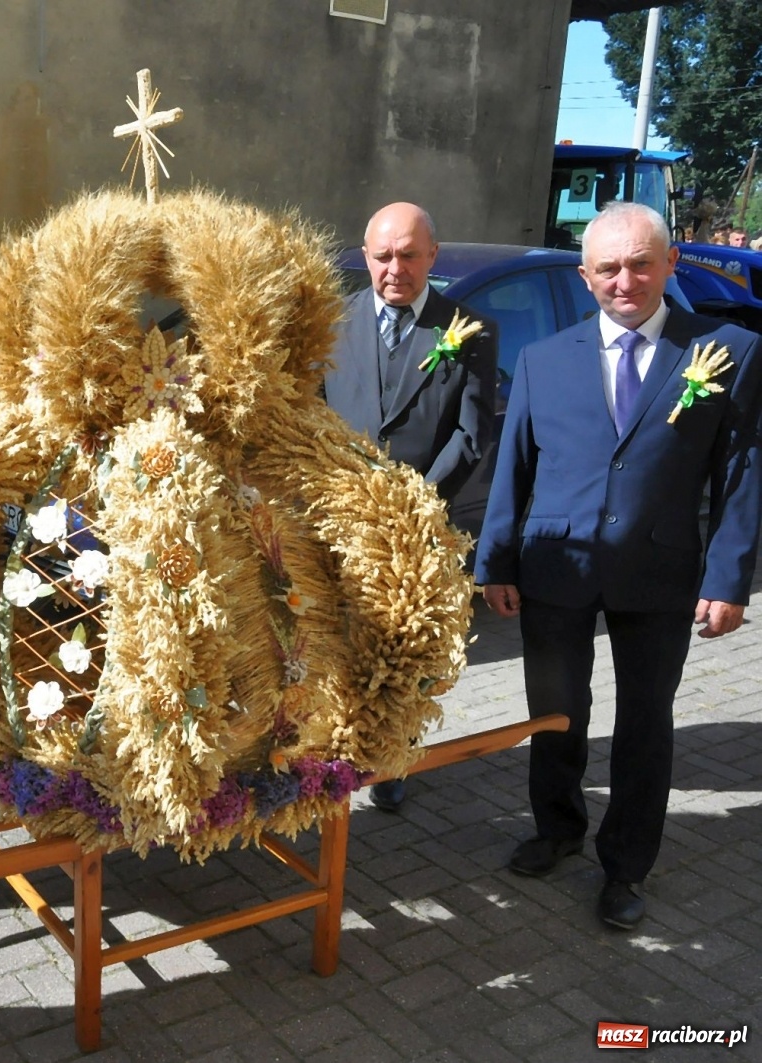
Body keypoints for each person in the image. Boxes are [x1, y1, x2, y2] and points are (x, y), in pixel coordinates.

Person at [475, 201, 762, 930]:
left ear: (669, 265)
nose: (624, 280)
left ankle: (626, 864)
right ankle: (557, 826)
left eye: (640, 263)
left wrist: (728, 580)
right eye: (607, 267)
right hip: (554, 566)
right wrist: (495, 561)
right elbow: (515, 467)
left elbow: (741, 472)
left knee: (644, 723)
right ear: (585, 276)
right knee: (557, 711)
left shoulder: (725, 350)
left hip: (659, 572)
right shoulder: (545, 359)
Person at [323, 202, 498, 813]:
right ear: (366, 257)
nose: (395, 268)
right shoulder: (332, 323)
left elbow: (471, 434)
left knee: (404, 649)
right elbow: (313, 420)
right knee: (340, 642)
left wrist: (416, 499)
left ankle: (394, 753)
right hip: (341, 519)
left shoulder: (468, 329)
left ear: (433, 255)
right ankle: (335, 750)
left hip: (422, 523)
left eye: (408, 255)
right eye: (383, 255)